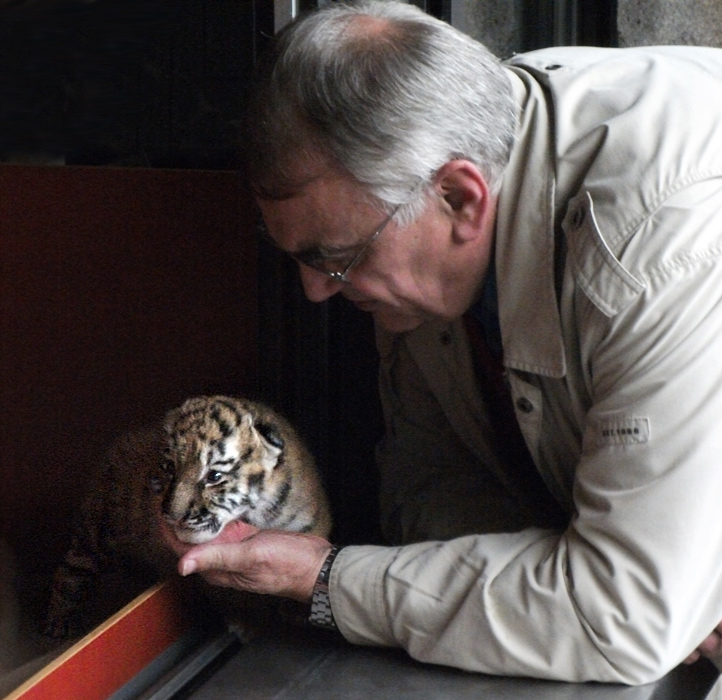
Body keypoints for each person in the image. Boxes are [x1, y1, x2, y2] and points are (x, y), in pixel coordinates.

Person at [163, 0, 722, 685]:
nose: (316, 292)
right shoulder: (421, 203)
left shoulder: (655, 242)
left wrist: (328, 581)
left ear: (463, 199)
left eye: (335, 258)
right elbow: (426, 488)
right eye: (301, 259)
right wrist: (588, 576)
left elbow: (622, 621)